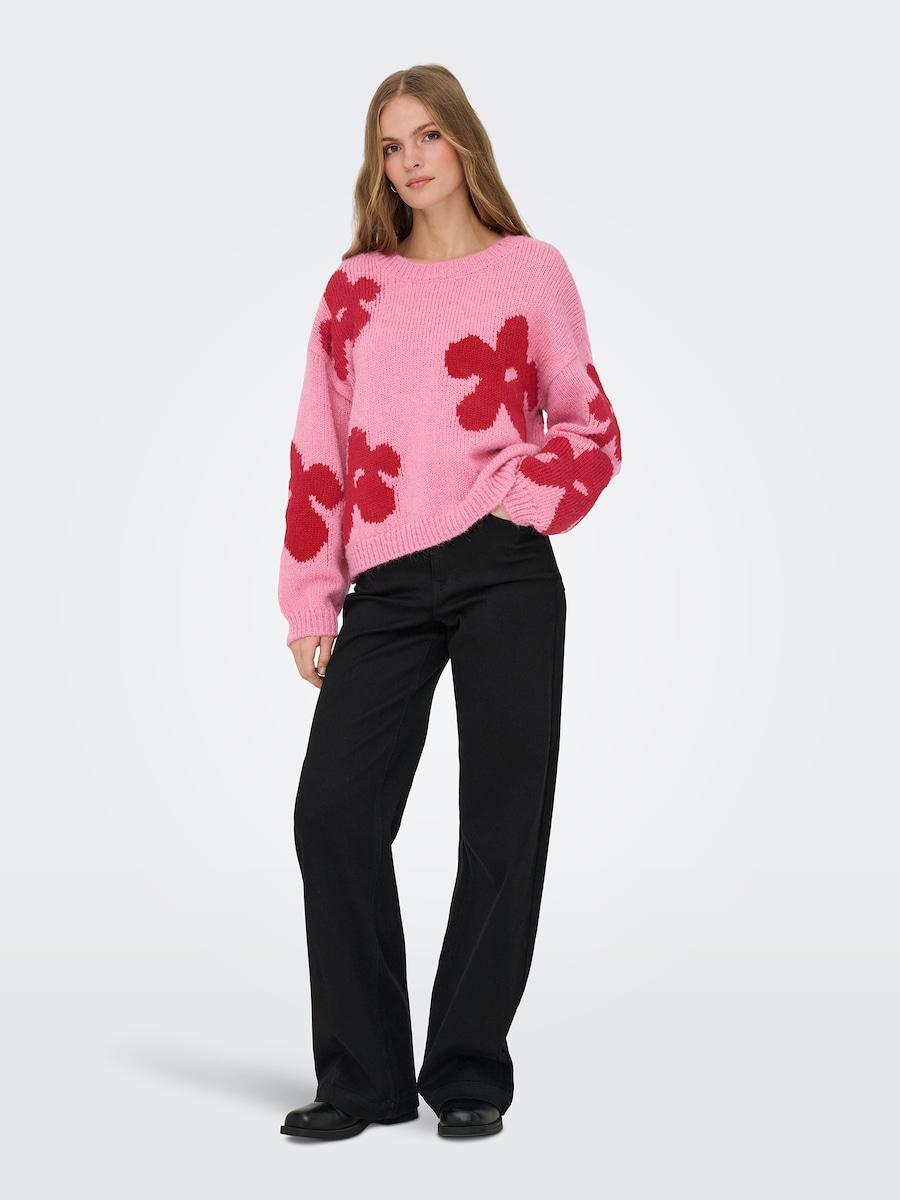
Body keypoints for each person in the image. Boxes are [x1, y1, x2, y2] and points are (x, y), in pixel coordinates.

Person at [277, 64, 622, 1142]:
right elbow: (319, 448)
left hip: (503, 565)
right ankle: (364, 1079)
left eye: (427, 136)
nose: (411, 160)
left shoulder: (532, 270)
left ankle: (468, 1068)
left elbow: (591, 424)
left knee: (504, 820)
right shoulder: (356, 289)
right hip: (386, 577)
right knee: (333, 814)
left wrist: (523, 496)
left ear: (464, 142)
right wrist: (310, 598)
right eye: (391, 146)